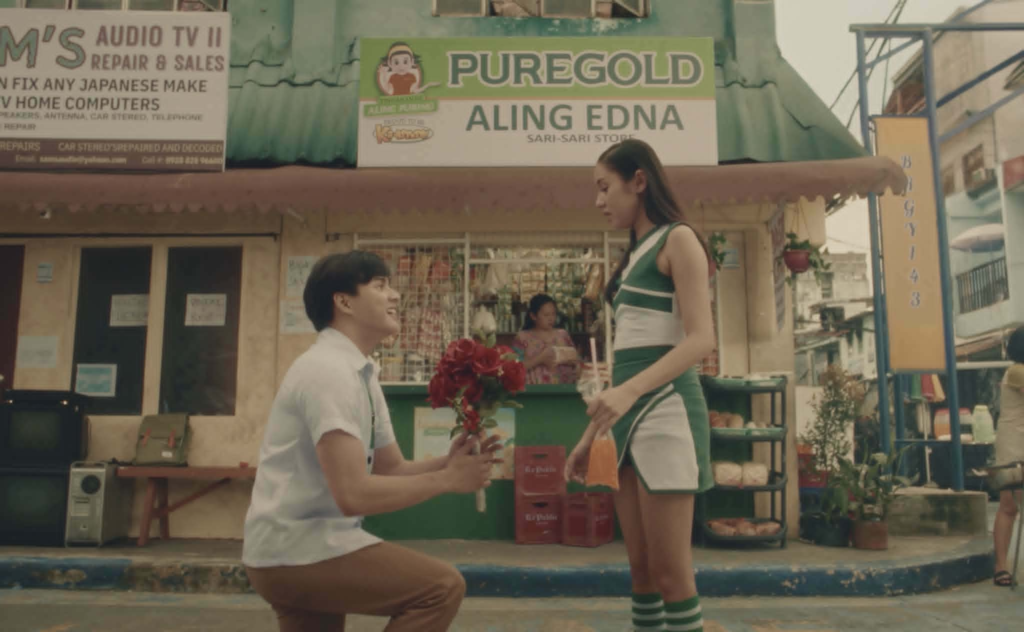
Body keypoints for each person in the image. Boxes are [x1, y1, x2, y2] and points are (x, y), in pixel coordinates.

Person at [242, 251, 501, 631]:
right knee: (441, 588)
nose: (394, 295)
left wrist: (449, 463)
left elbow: (391, 468)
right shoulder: (328, 371)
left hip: (301, 547)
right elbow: (353, 495)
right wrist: (448, 480)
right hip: (299, 548)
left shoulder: (360, 371)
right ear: (344, 302)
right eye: (380, 286)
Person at [565, 139, 716, 632]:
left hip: (667, 412)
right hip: (626, 421)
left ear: (639, 181)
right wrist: (589, 437)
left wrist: (628, 393)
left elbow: (702, 340)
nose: (598, 200)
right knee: (642, 574)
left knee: (672, 577)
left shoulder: (679, 239)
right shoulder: (632, 257)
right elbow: (626, 364)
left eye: (604, 187)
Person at [993, 326, 1024, 587]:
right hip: (1015, 446)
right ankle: (1000, 566)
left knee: (1010, 506)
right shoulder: (1017, 372)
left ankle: (1002, 566)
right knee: (1009, 506)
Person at [512, 293, 581, 385]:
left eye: (553, 314)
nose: (551, 318)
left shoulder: (563, 335)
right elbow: (514, 368)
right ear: (533, 316)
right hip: (534, 390)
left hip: (564, 389)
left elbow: (576, 359)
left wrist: (577, 366)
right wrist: (540, 358)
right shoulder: (522, 337)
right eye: (546, 315)